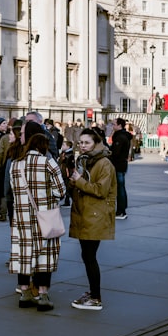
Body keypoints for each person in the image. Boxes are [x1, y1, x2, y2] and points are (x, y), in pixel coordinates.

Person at [10, 131, 66, 311]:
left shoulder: (15, 165)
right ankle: (43, 295)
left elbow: (13, 189)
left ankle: (25, 293)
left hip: (22, 216)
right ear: (44, 146)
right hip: (45, 216)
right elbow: (60, 191)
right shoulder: (48, 162)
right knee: (45, 255)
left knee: (24, 253)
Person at [68, 128, 115, 311]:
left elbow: (100, 191)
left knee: (89, 256)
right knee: (87, 256)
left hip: (95, 215)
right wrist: (73, 181)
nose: (82, 146)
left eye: (86, 142)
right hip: (85, 213)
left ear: (96, 143)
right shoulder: (86, 161)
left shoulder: (104, 163)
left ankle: (96, 297)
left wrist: (79, 181)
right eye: (80, 142)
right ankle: (93, 293)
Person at [109, 118, 132, 220]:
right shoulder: (123, 136)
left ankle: (121, 210)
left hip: (118, 164)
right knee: (120, 187)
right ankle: (121, 209)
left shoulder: (120, 137)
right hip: (121, 164)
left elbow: (115, 152)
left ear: (119, 125)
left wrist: (109, 151)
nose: (112, 126)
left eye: (114, 124)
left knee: (119, 188)